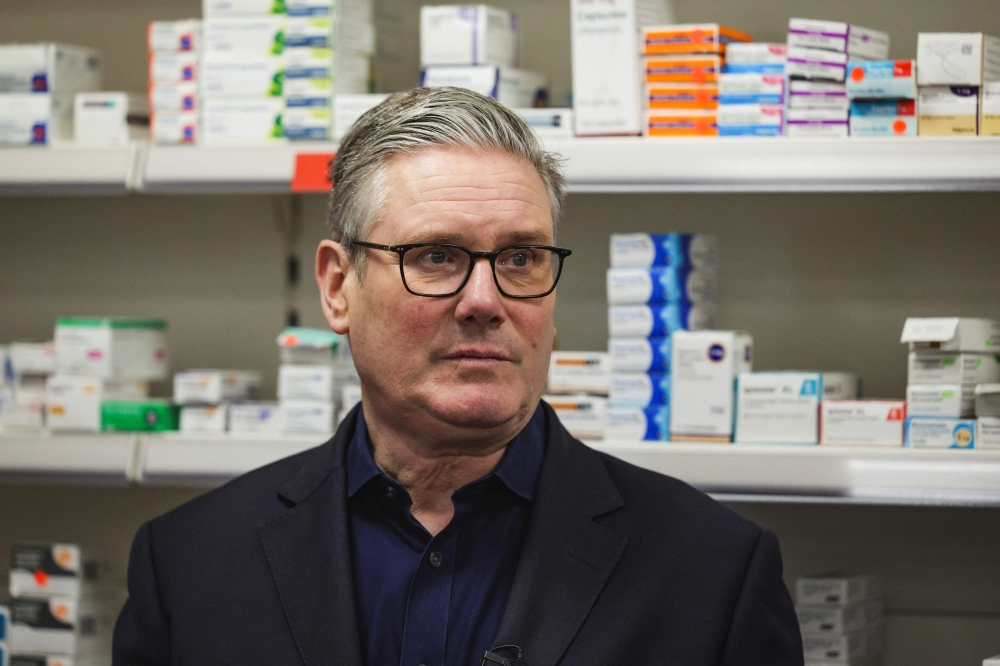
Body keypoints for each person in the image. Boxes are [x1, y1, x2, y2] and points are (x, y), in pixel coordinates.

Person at [113, 87, 803, 666]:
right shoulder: (188, 563)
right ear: (336, 287)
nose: (485, 301)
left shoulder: (714, 571)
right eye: (437, 256)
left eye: (522, 257)